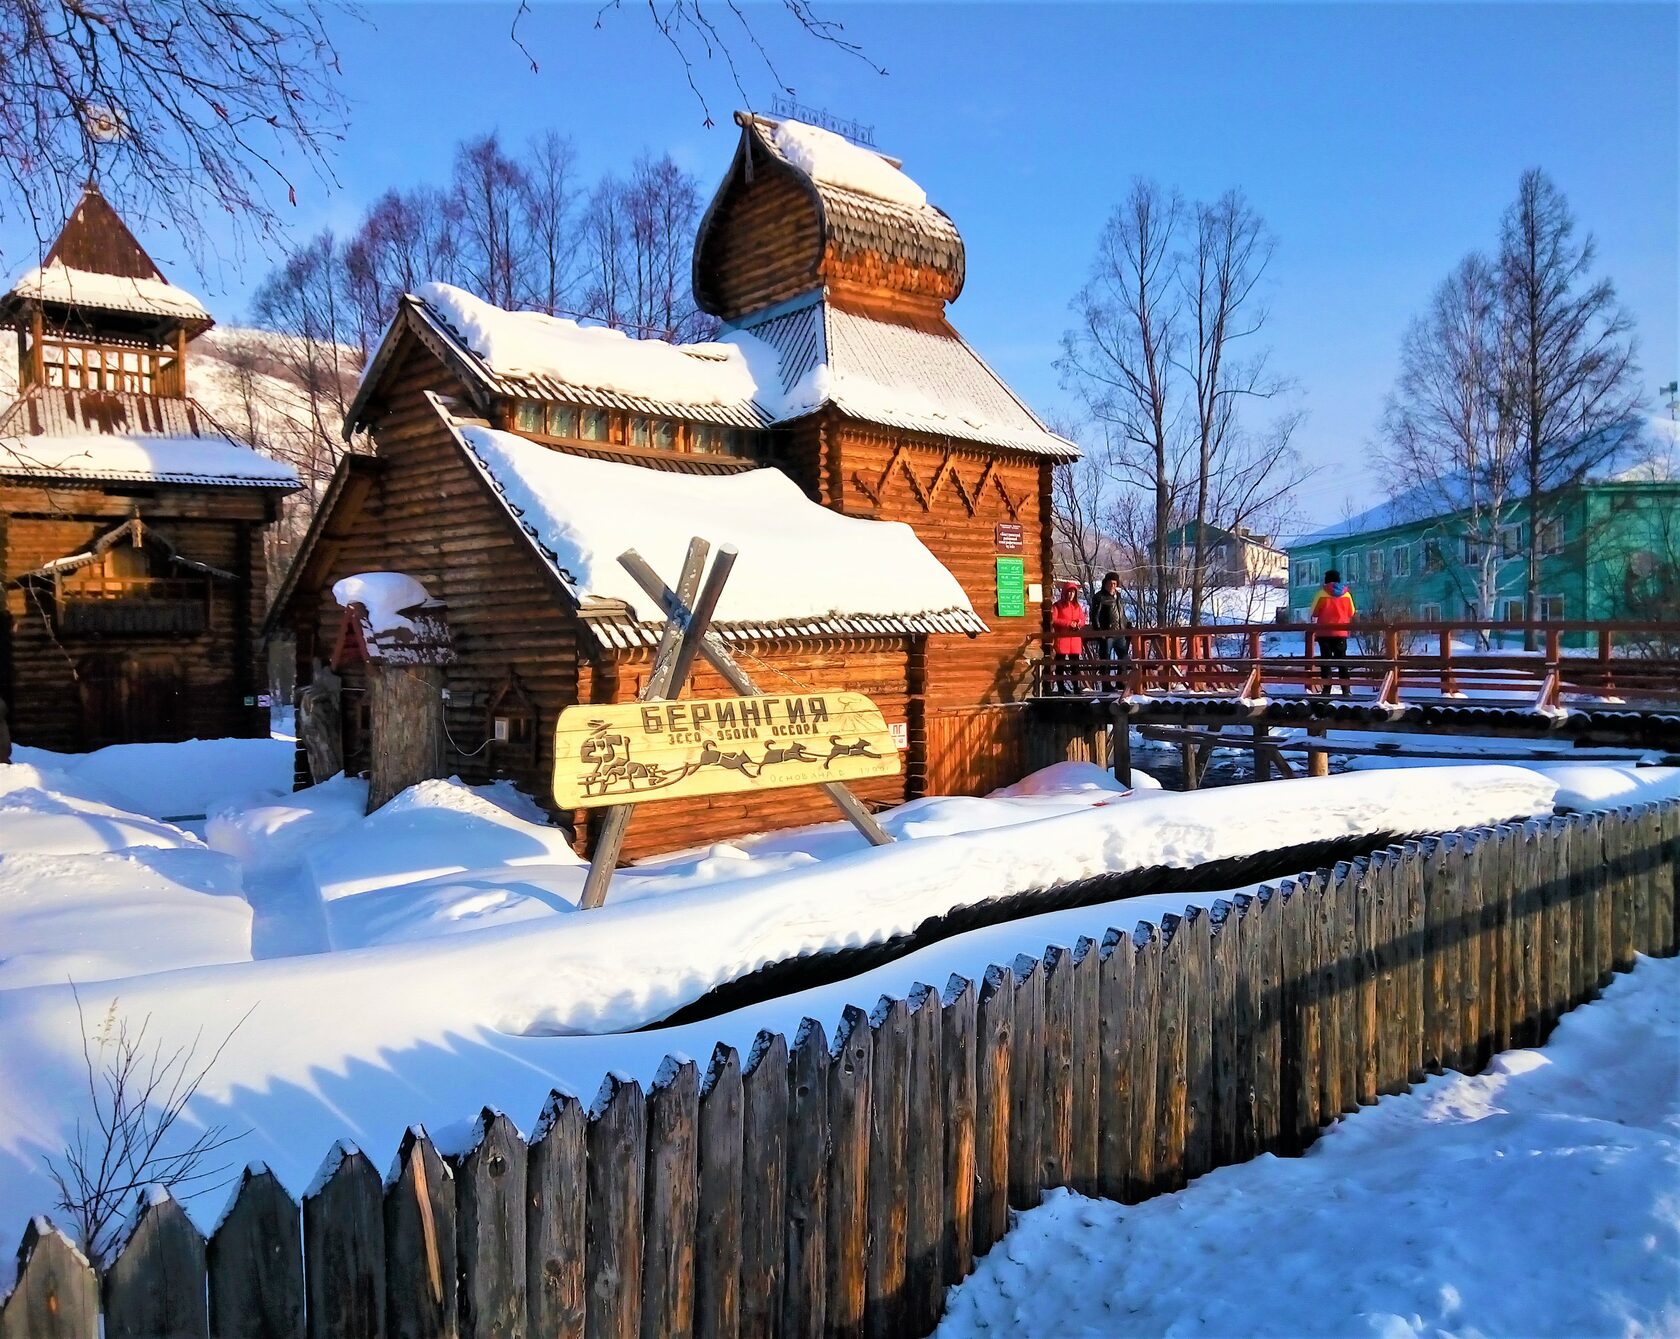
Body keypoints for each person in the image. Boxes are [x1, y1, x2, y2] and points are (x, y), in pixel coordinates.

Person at [1310, 569, 1356, 695]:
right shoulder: (1346, 595)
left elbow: (1314, 612)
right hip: (1341, 633)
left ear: (1326, 580)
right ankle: (1346, 690)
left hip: (1324, 634)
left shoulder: (1321, 594)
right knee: (1342, 661)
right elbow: (1351, 612)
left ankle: (1326, 690)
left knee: (1326, 662)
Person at [1090, 570, 1129, 691]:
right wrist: (1099, 632)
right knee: (1105, 659)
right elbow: (1094, 616)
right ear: (1105, 583)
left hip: (1120, 632)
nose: (1112, 586)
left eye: (1114, 583)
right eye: (1110, 583)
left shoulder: (1118, 596)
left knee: (1124, 658)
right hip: (1107, 633)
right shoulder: (1099, 597)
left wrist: (1126, 624)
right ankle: (1106, 685)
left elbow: (1120, 613)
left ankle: (1120, 681)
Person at [1050, 581, 1088, 693]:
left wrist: (1079, 623)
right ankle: (1061, 687)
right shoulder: (1057, 606)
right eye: (1069, 592)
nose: (1071, 595)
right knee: (1060, 665)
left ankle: (1077, 687)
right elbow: (1054, 619)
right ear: (1064, 593)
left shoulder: (1077, 606)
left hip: (1075, 640)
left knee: (1075, 665)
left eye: (1073, 592)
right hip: (1062, 639)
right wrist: (1068, 623)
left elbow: (1083, 619)